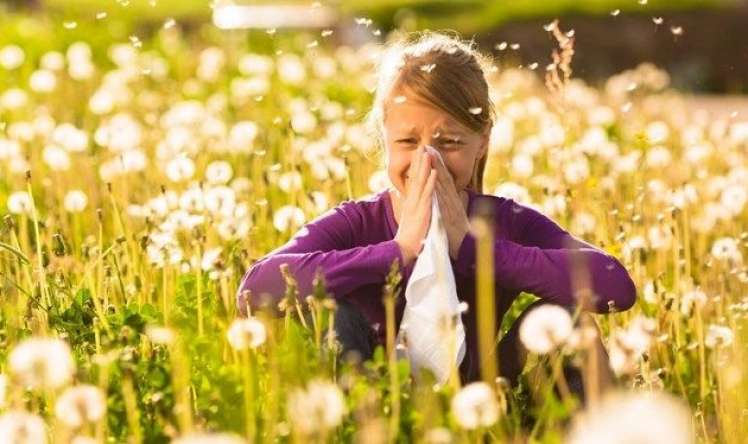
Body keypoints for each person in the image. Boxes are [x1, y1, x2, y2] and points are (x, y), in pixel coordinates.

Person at [236, 31, 637, 398]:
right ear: (385, 140)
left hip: (485, 399)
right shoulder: (358, 222)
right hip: (371, 396)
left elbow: (615, 285)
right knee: (329, 315)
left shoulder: (505, 221)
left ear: (482, 144)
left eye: (448, 142)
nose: (427, 160)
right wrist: (398, 251)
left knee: (567, 319)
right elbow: (255, 289)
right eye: (408, 141)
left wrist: (476, 250)